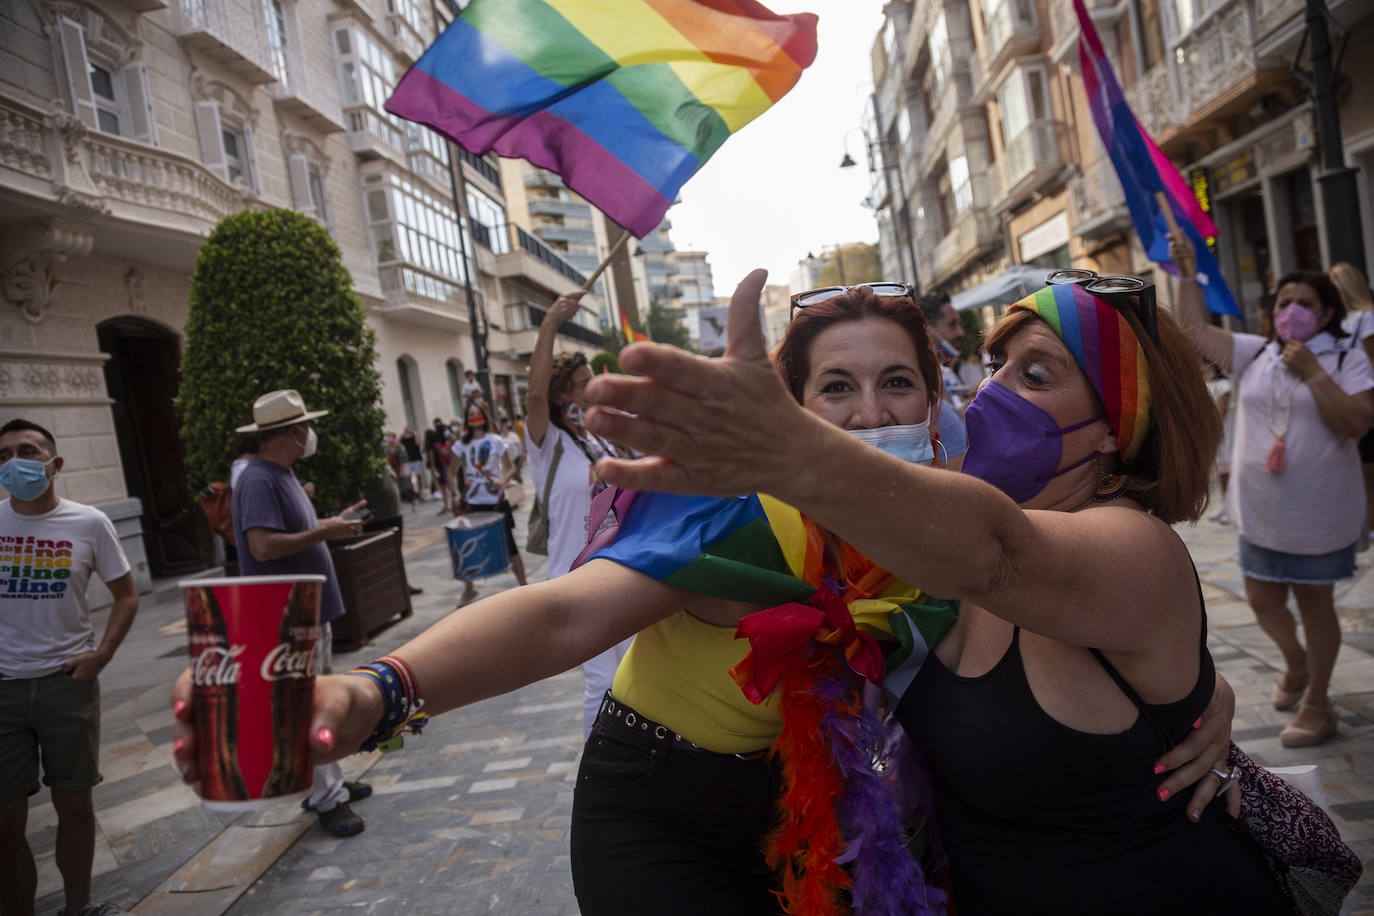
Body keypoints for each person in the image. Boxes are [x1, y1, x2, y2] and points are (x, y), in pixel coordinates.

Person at [173, 279, 1239, 916]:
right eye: (834, 389)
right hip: (662, 811)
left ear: (932, 399)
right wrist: (376, 692)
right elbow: (561, 614)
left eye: (900, 383)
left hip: (823, 824)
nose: (871, 412)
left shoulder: (947, 540)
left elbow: (1030, 577)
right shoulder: (744, 505)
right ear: (790, 403)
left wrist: (1193, 698)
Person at [1171, 238, 1374, 748]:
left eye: (1305, 303)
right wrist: (1188, 273)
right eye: (1284, 303)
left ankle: (1318, 704)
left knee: (1314, 604)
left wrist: (1311, 371)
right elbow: (1194, 332)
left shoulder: (1347, 356)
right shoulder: (1256, 352)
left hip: (1320, 513)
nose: (1292, 312)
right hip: (1262, 512)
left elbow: (1356, 423)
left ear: (1327, 311)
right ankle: (1297, 662)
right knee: (1262, 601)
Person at [1, 418, 139, 916]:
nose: (15, 461)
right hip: (4, 690)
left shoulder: (89, 523)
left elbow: (125, 594)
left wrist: (102, 654)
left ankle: (77, 911)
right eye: (4, 454)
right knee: (5, 824)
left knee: (76, 808)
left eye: (28, 451)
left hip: (67, 685)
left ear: (54, 464)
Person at [230, 390, 373, 836]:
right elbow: (261, 545)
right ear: (293, 434)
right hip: (287, 611)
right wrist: (325, 530)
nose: (310, 435)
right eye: (306, 428)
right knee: (309, 703)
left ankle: (326, 781)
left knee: (317, 698)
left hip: (308, 608)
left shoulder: (279, 474)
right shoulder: (258, 479)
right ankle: (328, 798)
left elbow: (291, 534)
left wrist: (329, 523)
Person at [524, 293, 634, 735]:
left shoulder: (605, 436)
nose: (594, 386)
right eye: (584, 381)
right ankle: (597, 771)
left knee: (632, 672)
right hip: (575, 579)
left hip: (622, 570)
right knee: (602, 680)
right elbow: (532, 391)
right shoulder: (546, 444)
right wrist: (550, 321)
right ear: (561, 393)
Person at [455, 401, 526, 604]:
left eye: (478, 413)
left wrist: (501, 481)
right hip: (474, 502)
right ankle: (469, 589)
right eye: (471, 414)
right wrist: (454, 493)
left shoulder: (495, 440)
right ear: (467, 419)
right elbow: (452, 473)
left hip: (496, 500)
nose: (475, 416)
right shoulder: (462, 444)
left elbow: (510, 468)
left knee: (510, 545)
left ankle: (524, 586)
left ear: (484, 417)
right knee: (469, 543)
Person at [1330, 261, 1374, 540]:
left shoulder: (1366, 318)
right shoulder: (1342, 321)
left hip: (1364, 393)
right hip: (1346, 396)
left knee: (1367, 465)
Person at [422, 419, 448, 510]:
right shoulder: (440, 442)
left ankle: (446, 505)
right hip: (443, 465)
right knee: (445, 485)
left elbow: (432, 457)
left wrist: (433, 467)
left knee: (443, 486)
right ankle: (446, 504)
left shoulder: (433, 445)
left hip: (439, 466)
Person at [398, 426, 423, 509]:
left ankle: (420, 493)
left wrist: (414, 433)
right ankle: (413, 495)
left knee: (418, 477)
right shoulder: (403, 438)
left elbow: (418, 443)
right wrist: (402, 435)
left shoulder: (415, 436)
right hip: (408, 461)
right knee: (409, 479)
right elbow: (398, 444)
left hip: (416, 459)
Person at [499, 416, 525, 484]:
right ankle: (519, 485)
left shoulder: (513, 435)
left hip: (516, 457)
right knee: (514, 476)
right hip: (508, 460)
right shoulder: (500, 438)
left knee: (516, 473)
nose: (504, 429)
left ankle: (519, 484)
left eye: (505, 427)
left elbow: (518, 444)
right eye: (502, 427)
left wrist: (521, 453)